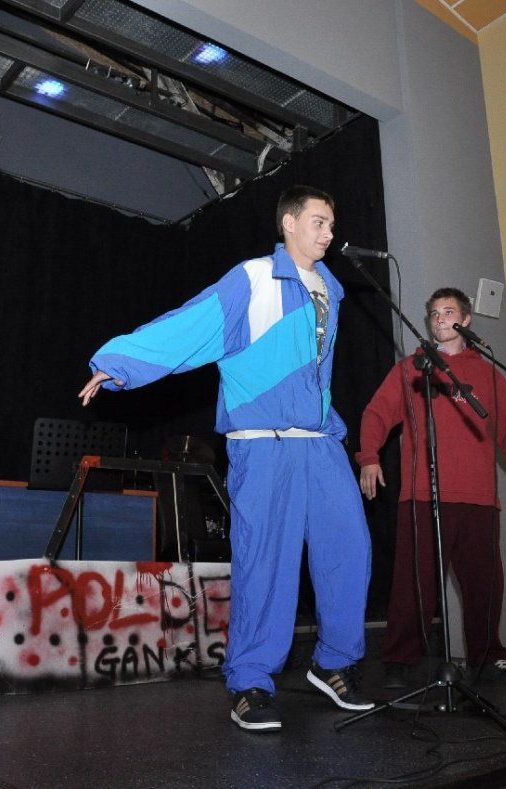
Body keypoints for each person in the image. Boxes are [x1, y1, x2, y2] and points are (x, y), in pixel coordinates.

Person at [79, 186, 374, 732]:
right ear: (288, 223)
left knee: (349, 547)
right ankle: (252, 681)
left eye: (332, 224)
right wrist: (120, 363)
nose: (329, 233)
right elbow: (192, 325)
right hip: (263, 444)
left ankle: (334, 663)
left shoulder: (330, 290)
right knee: (267, 563)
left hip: (319, 443)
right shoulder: (254, 279)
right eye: (318, 221)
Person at [356, 287, 506, 687]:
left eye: (449, 311)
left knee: (484, 584)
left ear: (466, 319)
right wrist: (369, 456)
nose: (440, 318)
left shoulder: (488, 374)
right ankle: (399, 660)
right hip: (424, 497)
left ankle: (488, 658)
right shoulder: (412, 369)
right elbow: (376, 413)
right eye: (434, 313)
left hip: (478, 498)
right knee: (414, 583)